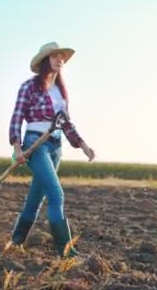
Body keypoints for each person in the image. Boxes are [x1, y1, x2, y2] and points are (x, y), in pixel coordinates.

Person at [8, 41, 95, 258]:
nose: (60, 59)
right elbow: (16, 119)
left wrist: (83, 145)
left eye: (61, 56)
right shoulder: (29, 86)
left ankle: (15, 242)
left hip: (56, 145)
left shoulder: (60, 92)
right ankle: (66, 253)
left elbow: (65, 122)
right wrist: (18, 149)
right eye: (54, 56)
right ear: (45, 61)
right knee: (56, 194)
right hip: (36, 144)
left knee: (36, 198)